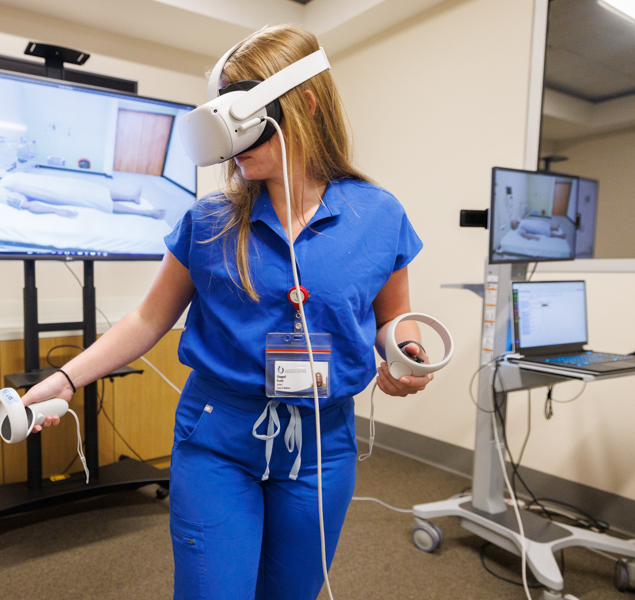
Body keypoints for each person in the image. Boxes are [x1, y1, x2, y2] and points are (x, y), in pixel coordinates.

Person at [21, 24, 432, 600]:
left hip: (322, 446)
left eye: (242, 128)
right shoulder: (211, 220)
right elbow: (147, 319)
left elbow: (395, 317)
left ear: (304, 106)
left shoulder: (378, 215)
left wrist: (403, 352)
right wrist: (63, 378)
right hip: (218, 438)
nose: (230, 148)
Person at [0, 170, 166, 219]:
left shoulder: (4, 176)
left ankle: (132, 197)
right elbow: (25, 205)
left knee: (96, 190)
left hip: (61, 184)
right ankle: (147, 213)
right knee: (96, 200)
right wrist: (56, 211)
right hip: (57, 194)